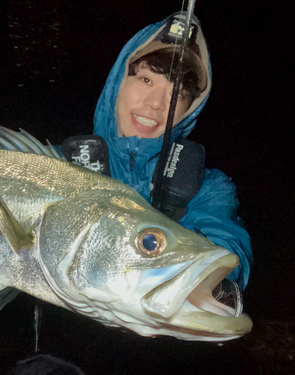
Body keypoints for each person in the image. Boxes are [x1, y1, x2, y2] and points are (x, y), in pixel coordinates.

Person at [92, 12, 253, 290]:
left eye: (176, 93)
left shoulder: (208, 188)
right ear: (117, 83)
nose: (156, 103)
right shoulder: (55, 163)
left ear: (189, 110)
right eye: (145, 80)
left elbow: (227, 253)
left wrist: (209, 285)